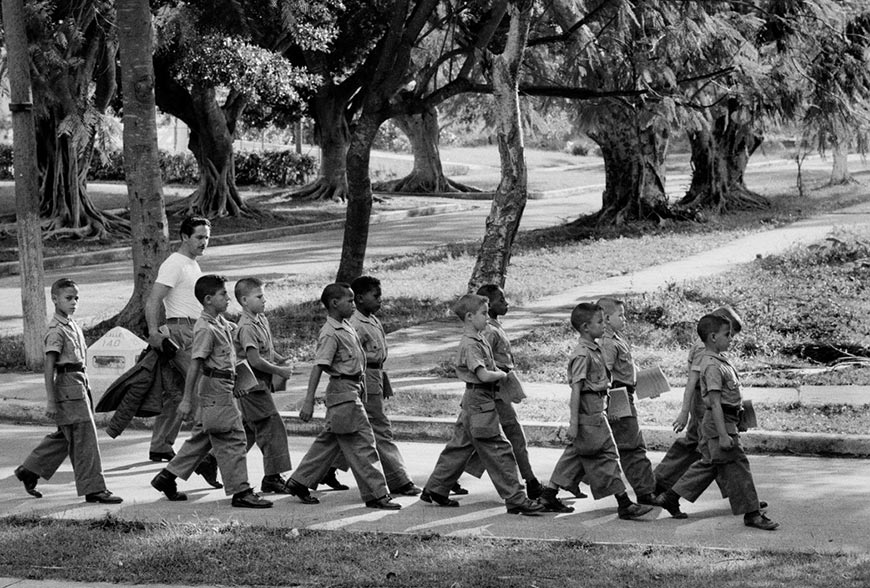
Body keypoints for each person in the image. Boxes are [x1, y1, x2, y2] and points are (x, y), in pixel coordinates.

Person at [150, 275, 272, 509]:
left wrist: (241, 382)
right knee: (234, 438)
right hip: (215, 390)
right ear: (208, 299)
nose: (228, 298)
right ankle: (241, 491)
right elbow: (196, 364)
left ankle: (166, 477)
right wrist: (186, 400)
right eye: (223, 294)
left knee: (204, 437)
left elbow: (230, 359)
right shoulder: (205, 328)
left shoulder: (221, 323)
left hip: (222, 387)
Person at [421, 293, 544, 515]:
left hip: (474, 401)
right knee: (499, 449)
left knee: (459, 447)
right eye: (484, 314)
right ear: (469, 317)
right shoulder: (471, 344)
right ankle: (516, 499)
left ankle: (436, 488)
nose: (487, 318)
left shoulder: (477, 339)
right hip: (481, 401)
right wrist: (503, 376)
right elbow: (484, 375)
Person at [282, 283, 401, 510]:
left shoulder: (346, 327)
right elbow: (319, 367)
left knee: (329, 442)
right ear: (335, 303)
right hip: (343, 394)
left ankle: (299, 481)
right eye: (350, 300)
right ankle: (377, 494)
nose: (353, 304)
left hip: (351, 390)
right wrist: (308, 401)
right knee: (364, 443)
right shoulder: (330, 333)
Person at [655, 314, 778, 531]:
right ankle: (752, 514)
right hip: (719, 424)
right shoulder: (711, 365)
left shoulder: (720, 360)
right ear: (713, 337)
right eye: (727, 335)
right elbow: (714, 403)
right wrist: (723, 434)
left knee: (711, 464)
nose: (731, 339)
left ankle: (671, 497)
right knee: (738, 465)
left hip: (726, 420)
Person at [537, 303, 653, 520]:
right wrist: (574, 423)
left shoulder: (596, 348)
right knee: (607, 454)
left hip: (597, 408)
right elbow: (576, 390)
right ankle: (624, 503)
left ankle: (549, 494)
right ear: (585, 327)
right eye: (599, 322)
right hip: (590, 410)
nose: (603, 325)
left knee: (577, 454)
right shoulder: (582, 354)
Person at [14, 278, 122, 504]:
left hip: (79, 384)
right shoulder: (56, 330)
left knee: (68, 435)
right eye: (68, 298)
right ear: (54, 299)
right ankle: (94, 489)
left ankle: (30, 470)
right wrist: (51, 401)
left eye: (76, 298)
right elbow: (49, 367)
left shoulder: (71, 324)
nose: (74, 302)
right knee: (85, 438)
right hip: (67, 387)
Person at [144, 216, 221, 490]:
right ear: (184, 237)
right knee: (202, 390)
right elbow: (153, 299)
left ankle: (161, 446)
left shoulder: (192, 264)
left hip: (193, 329)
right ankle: (202, 457)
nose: (204, 242)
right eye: (199, 237)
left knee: (177, 392)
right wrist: (155, 334)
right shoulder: (175, 263)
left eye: (207, 237)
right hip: (181, 332)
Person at [652, 306, 746, 517]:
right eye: (728, 334)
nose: (730, 339)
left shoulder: (708, 346)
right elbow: (691, 382)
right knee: (711, 452)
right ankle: (660, 485)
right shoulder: (703, 349)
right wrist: (684, 412)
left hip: (707, 403)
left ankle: (658, 483)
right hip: (705, 405)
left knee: (702, 448)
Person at [459, 285, 542, 499]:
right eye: (500, 300)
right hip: (493, 390)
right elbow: (483, 362)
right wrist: (500, 376)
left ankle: (444, 481)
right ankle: (530, 482)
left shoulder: (493, 326)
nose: (506, 304)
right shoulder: (486, 331)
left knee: (468, 440)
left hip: (495, 387)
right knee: (512, 435)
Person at [348, 276, 422, 497]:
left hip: (376, 374)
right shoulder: (355, 323)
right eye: (376, 296)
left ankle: (312, 476)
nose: (380, 301)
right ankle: (399, 480)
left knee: (343, 431)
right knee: (380, 428)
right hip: (365, 377)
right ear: (359, 298)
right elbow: (356, 359)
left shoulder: (371, 319)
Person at [233, 277, 296, 494]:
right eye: (259, 297)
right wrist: (279, 371)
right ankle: (272, 477)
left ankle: (210, 461)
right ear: (244, 300)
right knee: (272, 428)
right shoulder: (247, 326)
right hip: (252, 387)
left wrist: (279, 358)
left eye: (263, 296)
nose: (264, 300)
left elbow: (265, 351)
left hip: (260, 385)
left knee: (251, 430)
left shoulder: (260, 319)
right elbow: (254, 360)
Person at [595, 297, 657, 506]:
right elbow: (606, 375)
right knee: (633, 446)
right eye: (620, 315)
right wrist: (611, 405)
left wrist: (649, 385)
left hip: (625, 393)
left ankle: (558, 485)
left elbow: (628, 369)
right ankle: (646, 492)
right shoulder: (607, 343)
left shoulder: (617, 338)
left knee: (595, 448)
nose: (625, 319)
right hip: (618, 396)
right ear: (605, 318)